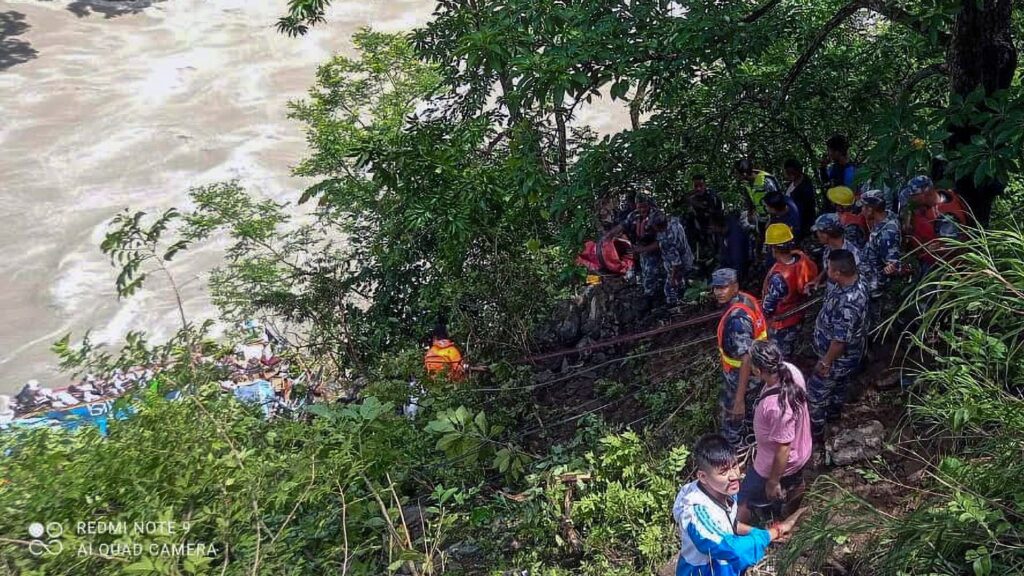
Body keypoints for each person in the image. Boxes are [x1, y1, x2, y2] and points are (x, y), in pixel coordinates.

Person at [673, 433, 805, 576]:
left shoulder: (722, 490)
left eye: (734, 466)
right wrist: (773, 533)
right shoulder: (695, 514)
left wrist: (756, 532)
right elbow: (732, 549)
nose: (734, 476)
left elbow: (728, 523)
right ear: (703, 477)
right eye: (723, 472)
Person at [738, 341, 812, 524]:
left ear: (757, 371)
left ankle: (743, 537)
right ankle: (785, 515)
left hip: (777, 462)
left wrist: (773, 481)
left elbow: (783, 449)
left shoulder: (776, 407)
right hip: (801, 449)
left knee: (744, 501)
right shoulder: (790, 371)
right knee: (795, 482)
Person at [808, 249, 868, 440]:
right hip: (848, 355)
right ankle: (833, 416)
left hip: (838, 358)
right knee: (840, 386)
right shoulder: (856, 281)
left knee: (814, 395)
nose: (827, 270)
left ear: (838, 273)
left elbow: (839, 342)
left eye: (829, 269)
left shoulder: (848, 305)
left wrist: (825, 362)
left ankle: (815, 435)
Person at [712, 268, 768, 449]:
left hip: (741, 378)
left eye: (723, 287)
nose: (718, 292)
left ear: (735, 286)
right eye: (716, 288)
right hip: (756, 373)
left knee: (733, 420)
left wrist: (738, 400)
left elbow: (746, 358)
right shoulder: (747, 300)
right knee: (753, 413)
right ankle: (753, 443)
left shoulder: (737, 319)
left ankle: (734, 453)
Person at [761, 224, 818, 358]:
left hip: (782, 323)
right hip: (797, 314)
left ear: (774, 249)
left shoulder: (779, 277)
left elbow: (768, 308)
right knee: (789, 348)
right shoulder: (801, 260)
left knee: (778, 357)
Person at [904, 175, 968, 281]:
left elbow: (953, 245)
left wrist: (935, 248)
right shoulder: (931, 202)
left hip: (942, 267)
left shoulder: (946, 217)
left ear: (925, 194)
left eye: (914, 195)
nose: (911, 198)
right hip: (925, 259)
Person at [858, 189, 903, 329]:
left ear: (871, 209)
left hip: (877, 285)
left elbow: (893, 265)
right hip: (872, 278)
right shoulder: (887, 217)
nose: (862, 211)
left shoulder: (887, 233)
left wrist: (881, 275)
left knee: (876, 322)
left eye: (864, 207)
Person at [607, 193, 664, 299]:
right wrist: (609, 235)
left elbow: (662, 241)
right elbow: (622, 226)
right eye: (639, 207)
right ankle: (651, 298)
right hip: (642, 251)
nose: (642, 210)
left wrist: (641, 249)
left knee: (655, 276)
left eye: (644, 206)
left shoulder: (657, 216)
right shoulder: (634, 215)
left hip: (657, 251)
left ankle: (657, 299)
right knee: (645, 275)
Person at [804, 213, 860, 295]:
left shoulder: (852, 256)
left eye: (818, 231)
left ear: (826, 235)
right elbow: (830, 266)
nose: (817, 234)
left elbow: (854, 284)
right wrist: (818, 279)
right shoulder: (828, 249)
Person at [651, 212, 695, 307]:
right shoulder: (674, 223)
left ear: (658, 227)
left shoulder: (667, 241)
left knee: (670, 289)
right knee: (682, 281)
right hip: (687, 257)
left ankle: (675, 307)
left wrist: (672, 278)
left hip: (679, 265)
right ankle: (684, 298)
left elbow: (676, 263)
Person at [688, 174, 725, 267]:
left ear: (705, 185)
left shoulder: (712, 197)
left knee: (717, 250)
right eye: (696, 186)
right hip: (698, 228)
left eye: (701, 185)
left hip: (714, 227)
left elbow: (718, 213)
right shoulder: (691, 196)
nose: (698, 189)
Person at [734, 159, 782, 230]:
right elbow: (750, 197)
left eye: (737, 173)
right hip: (760, 218)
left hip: (774, 217)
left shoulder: (766, 181)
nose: (736, 176)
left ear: (744, 174)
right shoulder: (746, 182)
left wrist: (772, 219)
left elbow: (778, 200)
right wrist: (750, 212)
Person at [710, 211, 752, 285]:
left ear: (717, 225)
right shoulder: (724, 233)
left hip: (736, 272)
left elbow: (738, 262)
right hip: (729, 267)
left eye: (712, 226)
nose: (711, 229)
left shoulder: (735, 238)